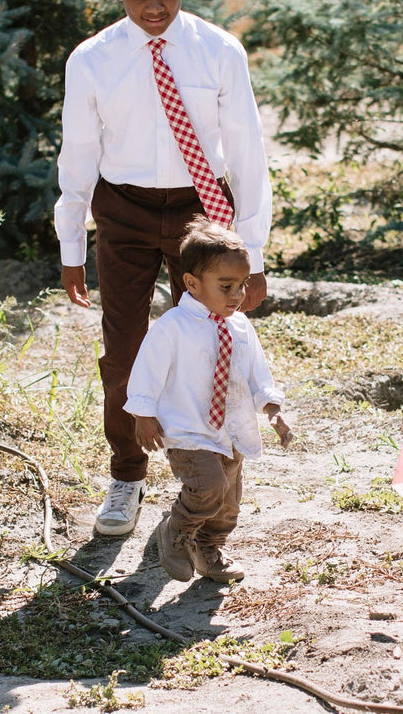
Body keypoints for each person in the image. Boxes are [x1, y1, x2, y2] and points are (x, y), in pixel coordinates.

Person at [55, 0, 273, 536]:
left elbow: (248, 153)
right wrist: (73, 243)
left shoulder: (219, 51)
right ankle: (126, 474)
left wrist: (249, 256)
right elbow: (77, 154)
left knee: (204, 347)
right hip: (121, 208)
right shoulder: (93, 59)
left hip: (201, 211)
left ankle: (203, 477)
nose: (155, 7)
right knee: (125, 348)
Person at [125, 219, 291, 582]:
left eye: (242, 284)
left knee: (228, 502)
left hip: (232, 430)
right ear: (192, 284)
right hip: (188, 429)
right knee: (207, 488)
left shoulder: (241, 327)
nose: (237, 295)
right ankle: (176, 530)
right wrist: (143, 414)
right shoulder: (173, 326)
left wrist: (272, 408)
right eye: (226, 285)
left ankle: (209, 549)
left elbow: (257, 372)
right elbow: (146, 370)